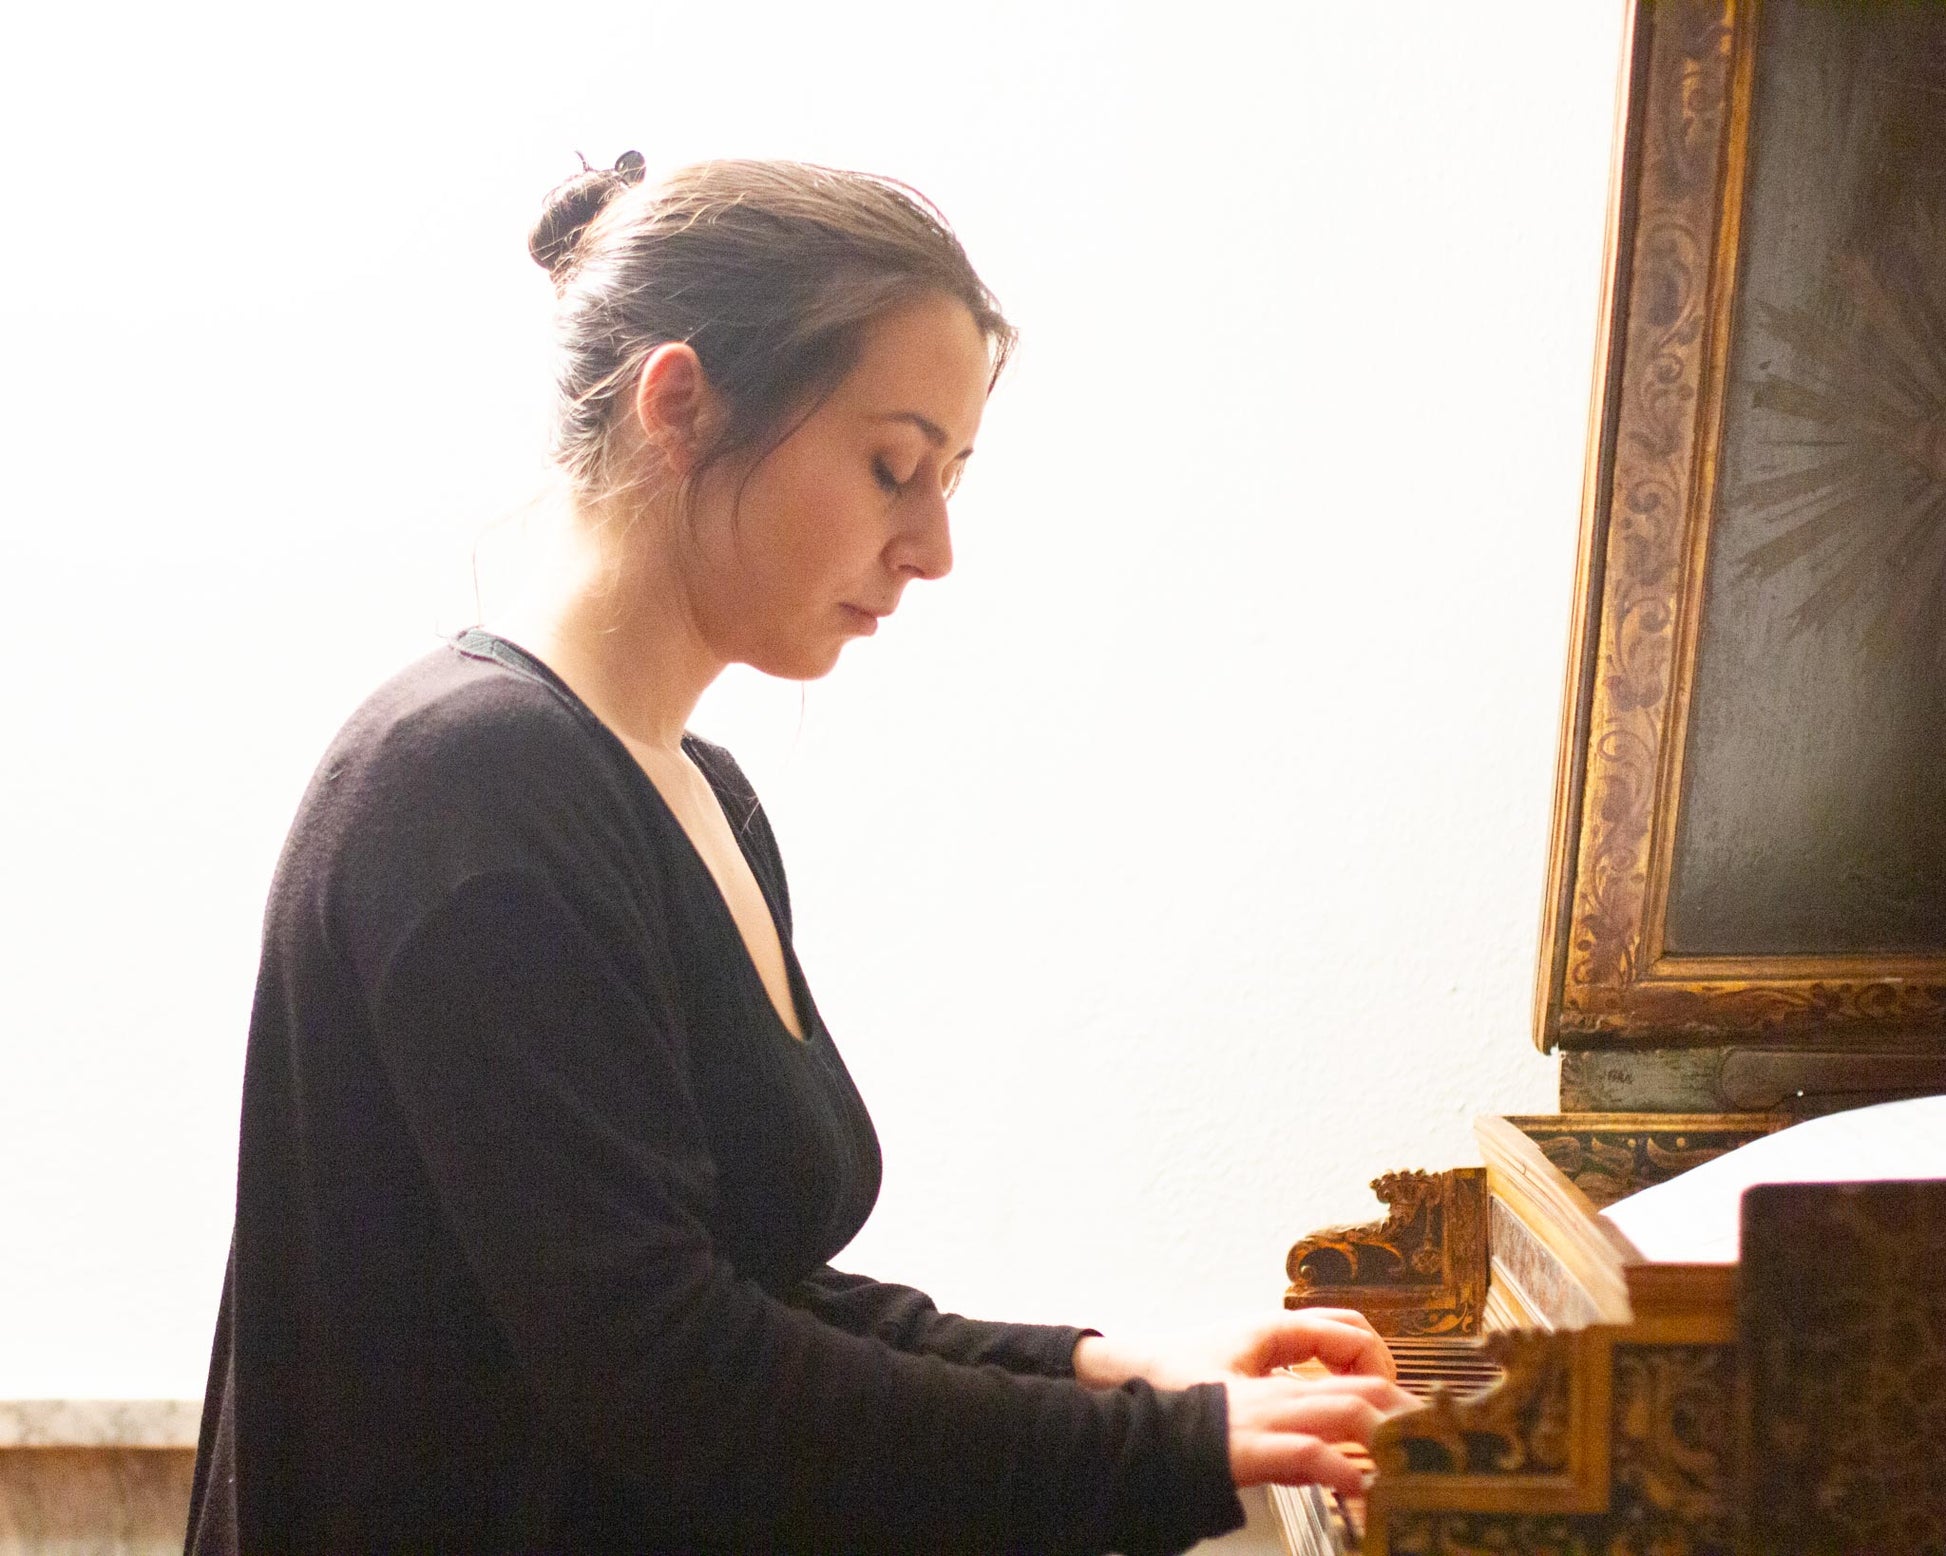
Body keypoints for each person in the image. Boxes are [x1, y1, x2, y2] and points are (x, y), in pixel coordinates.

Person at [185, 153, 1413, 1555]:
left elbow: (752, 1285)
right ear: (681, 407)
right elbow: (673, 1378)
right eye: (894, 466)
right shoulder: (473, 792)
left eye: (949, 479)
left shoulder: (689, 789)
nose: (933, 547)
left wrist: (1105, 1364)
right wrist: (1157, 1449)